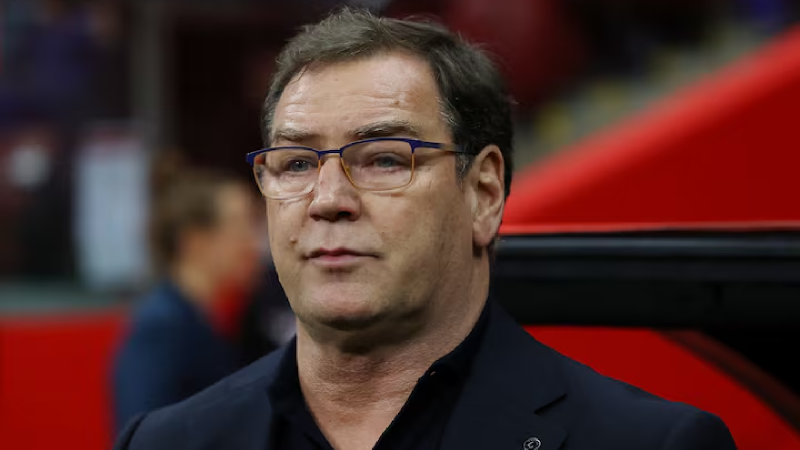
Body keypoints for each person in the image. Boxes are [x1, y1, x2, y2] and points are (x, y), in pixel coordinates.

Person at [114, 8, 737, 450]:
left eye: (384, 159)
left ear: (483, 194)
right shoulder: (167, 442)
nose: (327, 200)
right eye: (297, 163)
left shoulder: (650, 443)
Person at [112, 168, 261, 433]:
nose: (252, 243)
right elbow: (142, 434)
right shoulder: (162, 326)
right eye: (239, 226)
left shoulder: (204, 320)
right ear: (195, 241)